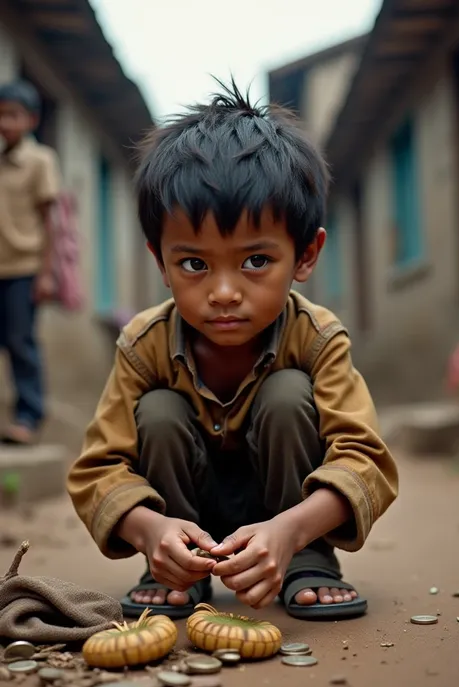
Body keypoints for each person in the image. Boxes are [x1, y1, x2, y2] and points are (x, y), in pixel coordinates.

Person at [67, 82, 398, 620]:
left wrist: (293, 529)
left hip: (290, 515)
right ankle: (173, 566)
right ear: (161, 262)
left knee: (290, 393)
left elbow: (365, 461)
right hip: (183, 518)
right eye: (194, 264)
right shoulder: (142, 344)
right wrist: (151, 530)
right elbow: (97, 468)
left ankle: (307, 560)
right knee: (157, 410)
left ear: (306, 254)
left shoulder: (317, 337)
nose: (223, 292)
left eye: (255, 261)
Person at [0, 80, 60, 445]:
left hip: (24, 268)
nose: (5, 122)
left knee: (21, 342)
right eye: (0, 115)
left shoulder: (40, 160)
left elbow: (51, 220)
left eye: (13, 115)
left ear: (32, 120)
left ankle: (29, 415)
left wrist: (46, 273)